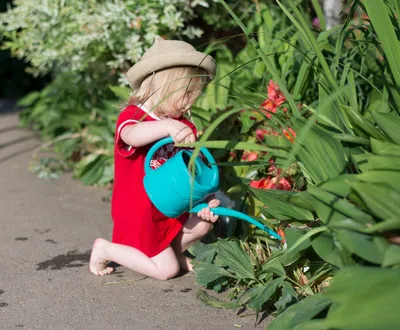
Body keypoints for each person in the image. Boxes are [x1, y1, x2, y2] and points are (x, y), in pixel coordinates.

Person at [89, 35, 220, 280]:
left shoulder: (181, 124)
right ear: (164, 85)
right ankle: (106, 249)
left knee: (203, 225)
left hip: (170, 206)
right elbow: (131, 136)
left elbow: (193, 165)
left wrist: (207, 198)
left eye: (196, 94)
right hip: (140, 212)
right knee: (166, 271)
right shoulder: (134, 116)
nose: (192, 100)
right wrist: (167, 126)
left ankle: (170, 251)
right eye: (187, 92)